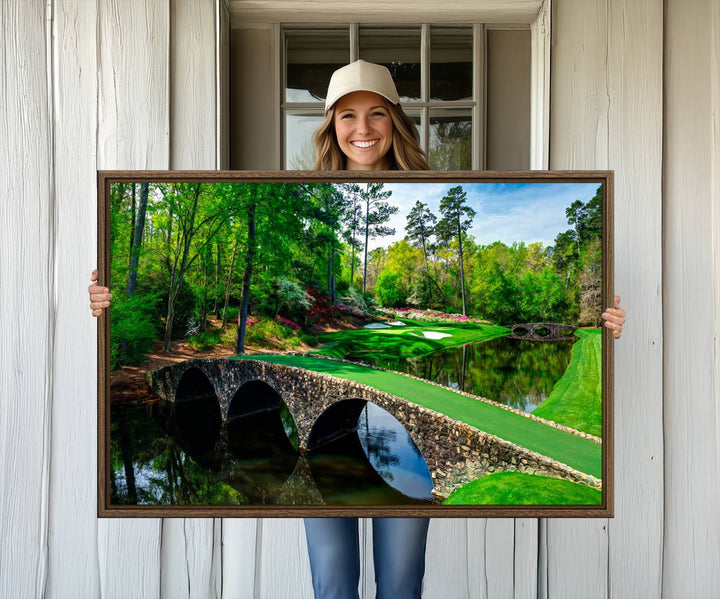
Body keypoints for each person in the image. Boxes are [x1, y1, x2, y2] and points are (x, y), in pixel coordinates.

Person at [88, 60, 626, 598]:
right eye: (348, 115)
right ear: (330, 126)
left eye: (376, 115)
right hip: (320, 448)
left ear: (395, 121)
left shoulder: (436, 189)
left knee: (400, 581)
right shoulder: (307, 196)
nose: (362, 129)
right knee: (333, 581)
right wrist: (105, 302)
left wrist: (602, 325)